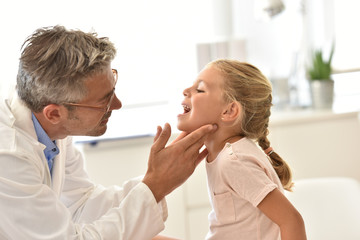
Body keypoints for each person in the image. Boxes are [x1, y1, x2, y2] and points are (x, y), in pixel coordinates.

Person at [0, 25, 216, 239]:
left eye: (112, 90)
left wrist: (157, 178)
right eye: (103, 102)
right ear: (54, 114)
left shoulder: (52, 126)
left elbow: (80, 205)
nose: (117, 104)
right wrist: (156, 186)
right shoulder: (9, 156)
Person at [177, 59, 307, 240]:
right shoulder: (226, 156)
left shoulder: (234, 161)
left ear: (229, 111)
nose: (185, 91)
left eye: (200, 89)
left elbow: (292, 221)